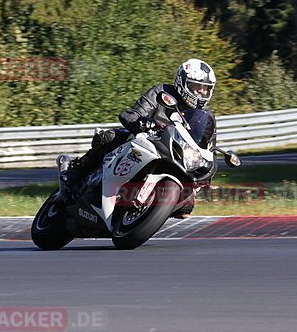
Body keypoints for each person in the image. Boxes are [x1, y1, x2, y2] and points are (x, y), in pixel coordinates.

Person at [64, 58, 218, 218]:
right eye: (196, 87)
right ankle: (75, 171)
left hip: (177, 157)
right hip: (144, 142)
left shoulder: (206, 116)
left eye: (205, 89)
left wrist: (206, 178)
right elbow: (130, 114)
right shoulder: (162, 93)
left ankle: (148, 211)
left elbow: (208, 150)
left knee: (185, 208)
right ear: (182, 82)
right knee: (109, 137)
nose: (201, 92)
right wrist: (143, 122)